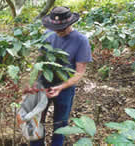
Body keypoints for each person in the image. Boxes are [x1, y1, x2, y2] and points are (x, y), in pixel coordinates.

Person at [30, 6, 92, 146]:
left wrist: (60, 87)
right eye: (55, 28)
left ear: (70, 24)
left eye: (61, 29)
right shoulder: (47, 34)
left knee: (60, 124)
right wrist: (35, 82)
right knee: (36, 119)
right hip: (44, 83)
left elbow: (79, 73)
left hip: (65, 87)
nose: (57, 32)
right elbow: (41, 61)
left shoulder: (81, 41)